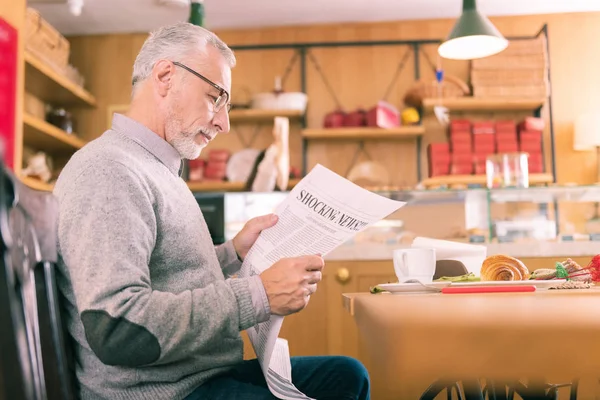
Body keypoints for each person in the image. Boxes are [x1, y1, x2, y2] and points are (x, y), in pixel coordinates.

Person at [54, 21, 370, 400]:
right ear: (166, 76)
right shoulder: (108, 170)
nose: (224, 122)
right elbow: (119, 328)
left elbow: (165, 275)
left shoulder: (155, 167)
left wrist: (233, 253)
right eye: (215, 97)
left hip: (198, 373)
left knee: (348, 376)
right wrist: (257, 296)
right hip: (163, 391)